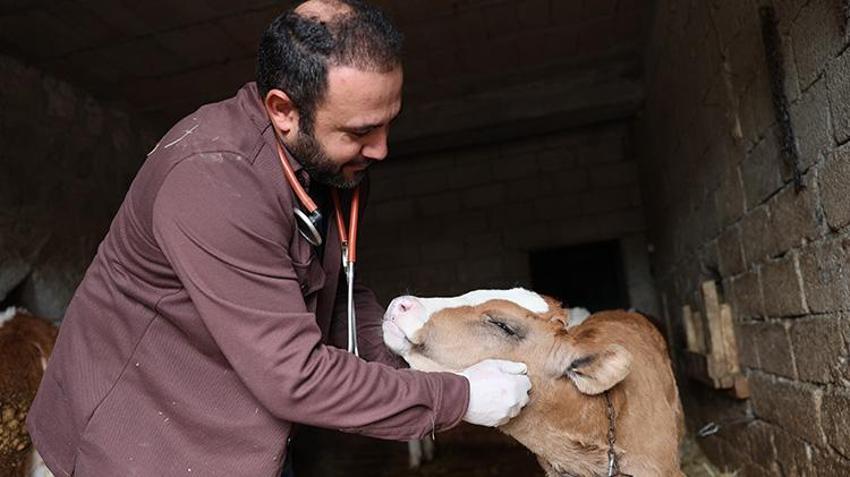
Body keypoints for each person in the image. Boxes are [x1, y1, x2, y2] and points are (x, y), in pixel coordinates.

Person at [26, 1, 532, 476]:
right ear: (284, 111)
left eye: (388, 124)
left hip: (245, 432)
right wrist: (458, 398)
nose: (381, 149)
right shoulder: (211, 181)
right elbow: (295, 375)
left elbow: (338, 294)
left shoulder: (329, 164)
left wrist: (415, 360)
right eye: (361, 131)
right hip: (140, 445)